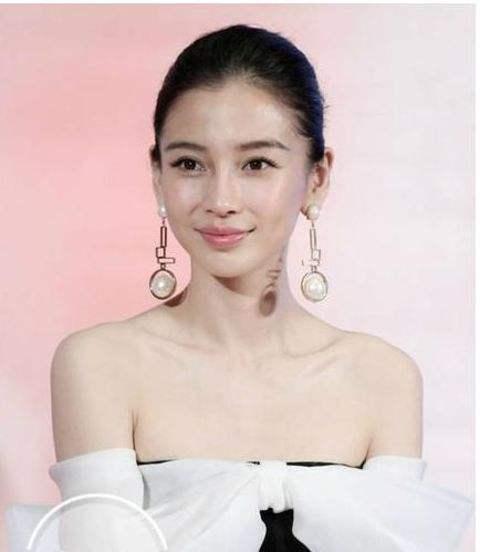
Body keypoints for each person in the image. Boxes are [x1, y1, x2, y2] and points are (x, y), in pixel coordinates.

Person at [48, 23, 473, 552]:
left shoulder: (383, 379)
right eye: (189, 164)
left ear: (316, 178)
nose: (221, 199)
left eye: (256, 164)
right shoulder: (101, 365)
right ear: (157, 174)